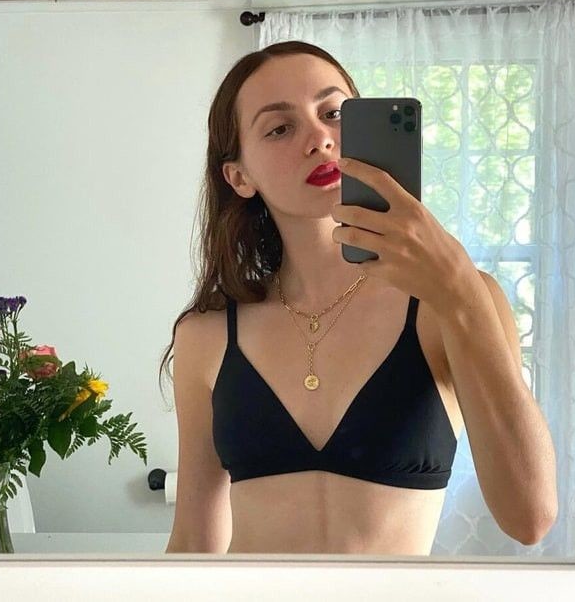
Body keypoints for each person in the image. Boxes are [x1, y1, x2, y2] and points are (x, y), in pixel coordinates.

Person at [161, 40, 472, 555]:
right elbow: (194, 541)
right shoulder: (205, 334)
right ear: (239, 176)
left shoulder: (449, 302)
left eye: (334, 113)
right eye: (280, 128)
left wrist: (462, 286)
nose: (321, 139)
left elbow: (532, 518)